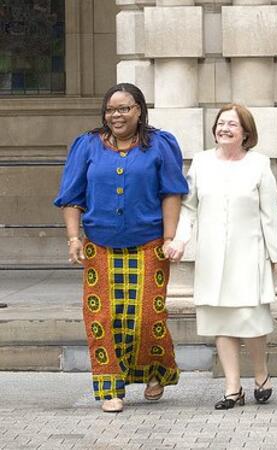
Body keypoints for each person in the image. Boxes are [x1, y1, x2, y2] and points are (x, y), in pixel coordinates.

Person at [54, 82, 188, 413]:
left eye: (124, 108)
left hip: (149, 245)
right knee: (102, 317)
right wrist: (74, 238)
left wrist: (169, 238)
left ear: (139, 110)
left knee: (147, 318)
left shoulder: (160, 144)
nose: (116, 115)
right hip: (99, 246)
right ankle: (110, 388)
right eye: (111, 109)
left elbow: (171, 192)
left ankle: (156, 371)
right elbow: (72, 196)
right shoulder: (87, 145)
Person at [165, 104, 277, 410]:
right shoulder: (201, 162)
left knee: (250, 319)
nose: (224, 128)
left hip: (248, 253)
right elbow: (189, 207)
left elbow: (270, 215)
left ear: (246, 133)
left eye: (232, 124)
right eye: (221, 123)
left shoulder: (259, 164)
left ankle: (260, 374)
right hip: (213, 255)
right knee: (221, 320)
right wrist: (179, 240)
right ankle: (233, 388)